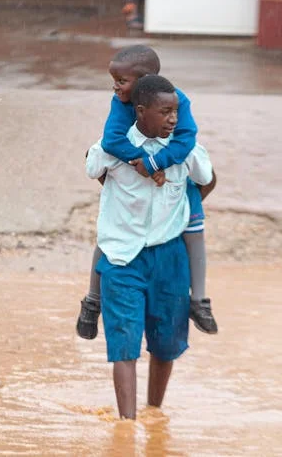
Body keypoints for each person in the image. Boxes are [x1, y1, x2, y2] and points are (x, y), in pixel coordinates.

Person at [85, 74, 214, 419]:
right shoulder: (114, 148)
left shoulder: (186, 152)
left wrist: (184, 209)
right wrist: (118, 187)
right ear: (140, 112)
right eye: (165, 112)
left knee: (166, 343)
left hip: (169, 257)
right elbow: (91, 165)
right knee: (123, 346)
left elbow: (208, 178)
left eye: (176, 111)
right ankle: (127, 427)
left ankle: (154, 414)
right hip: (122, 258)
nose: (174, 119)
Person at [76, 45, 218, 342]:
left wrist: (157, 164)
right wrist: (138, 162)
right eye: (113, 79)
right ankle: (92, 301)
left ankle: (200, 300)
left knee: (194, 234)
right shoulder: (121, 104)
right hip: (140, 182)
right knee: (110, 234)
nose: (114, 87)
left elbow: (187, 140)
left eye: (121, 81)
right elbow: (112, 140)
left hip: (179, 186)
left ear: (144, 80)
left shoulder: (178, 103)